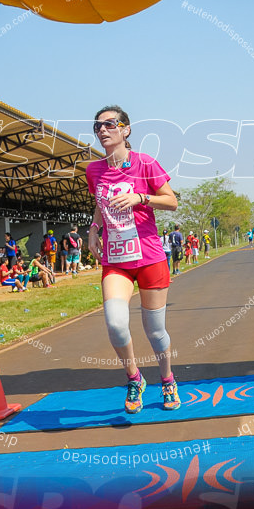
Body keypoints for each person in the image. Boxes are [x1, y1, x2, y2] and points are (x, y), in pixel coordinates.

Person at [87, 105, 181, 414]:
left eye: (110, 124)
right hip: (116, 260)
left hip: (150, 257)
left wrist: (140, 197)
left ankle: (167, 379)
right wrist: (94, 228)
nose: (103, 130)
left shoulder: (145, 164)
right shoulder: (94, 170)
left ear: (126, 130)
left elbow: (172, 201)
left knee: (155, 332)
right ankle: (134, 377)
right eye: (97, 126)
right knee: (115, 324)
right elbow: (101, 203)